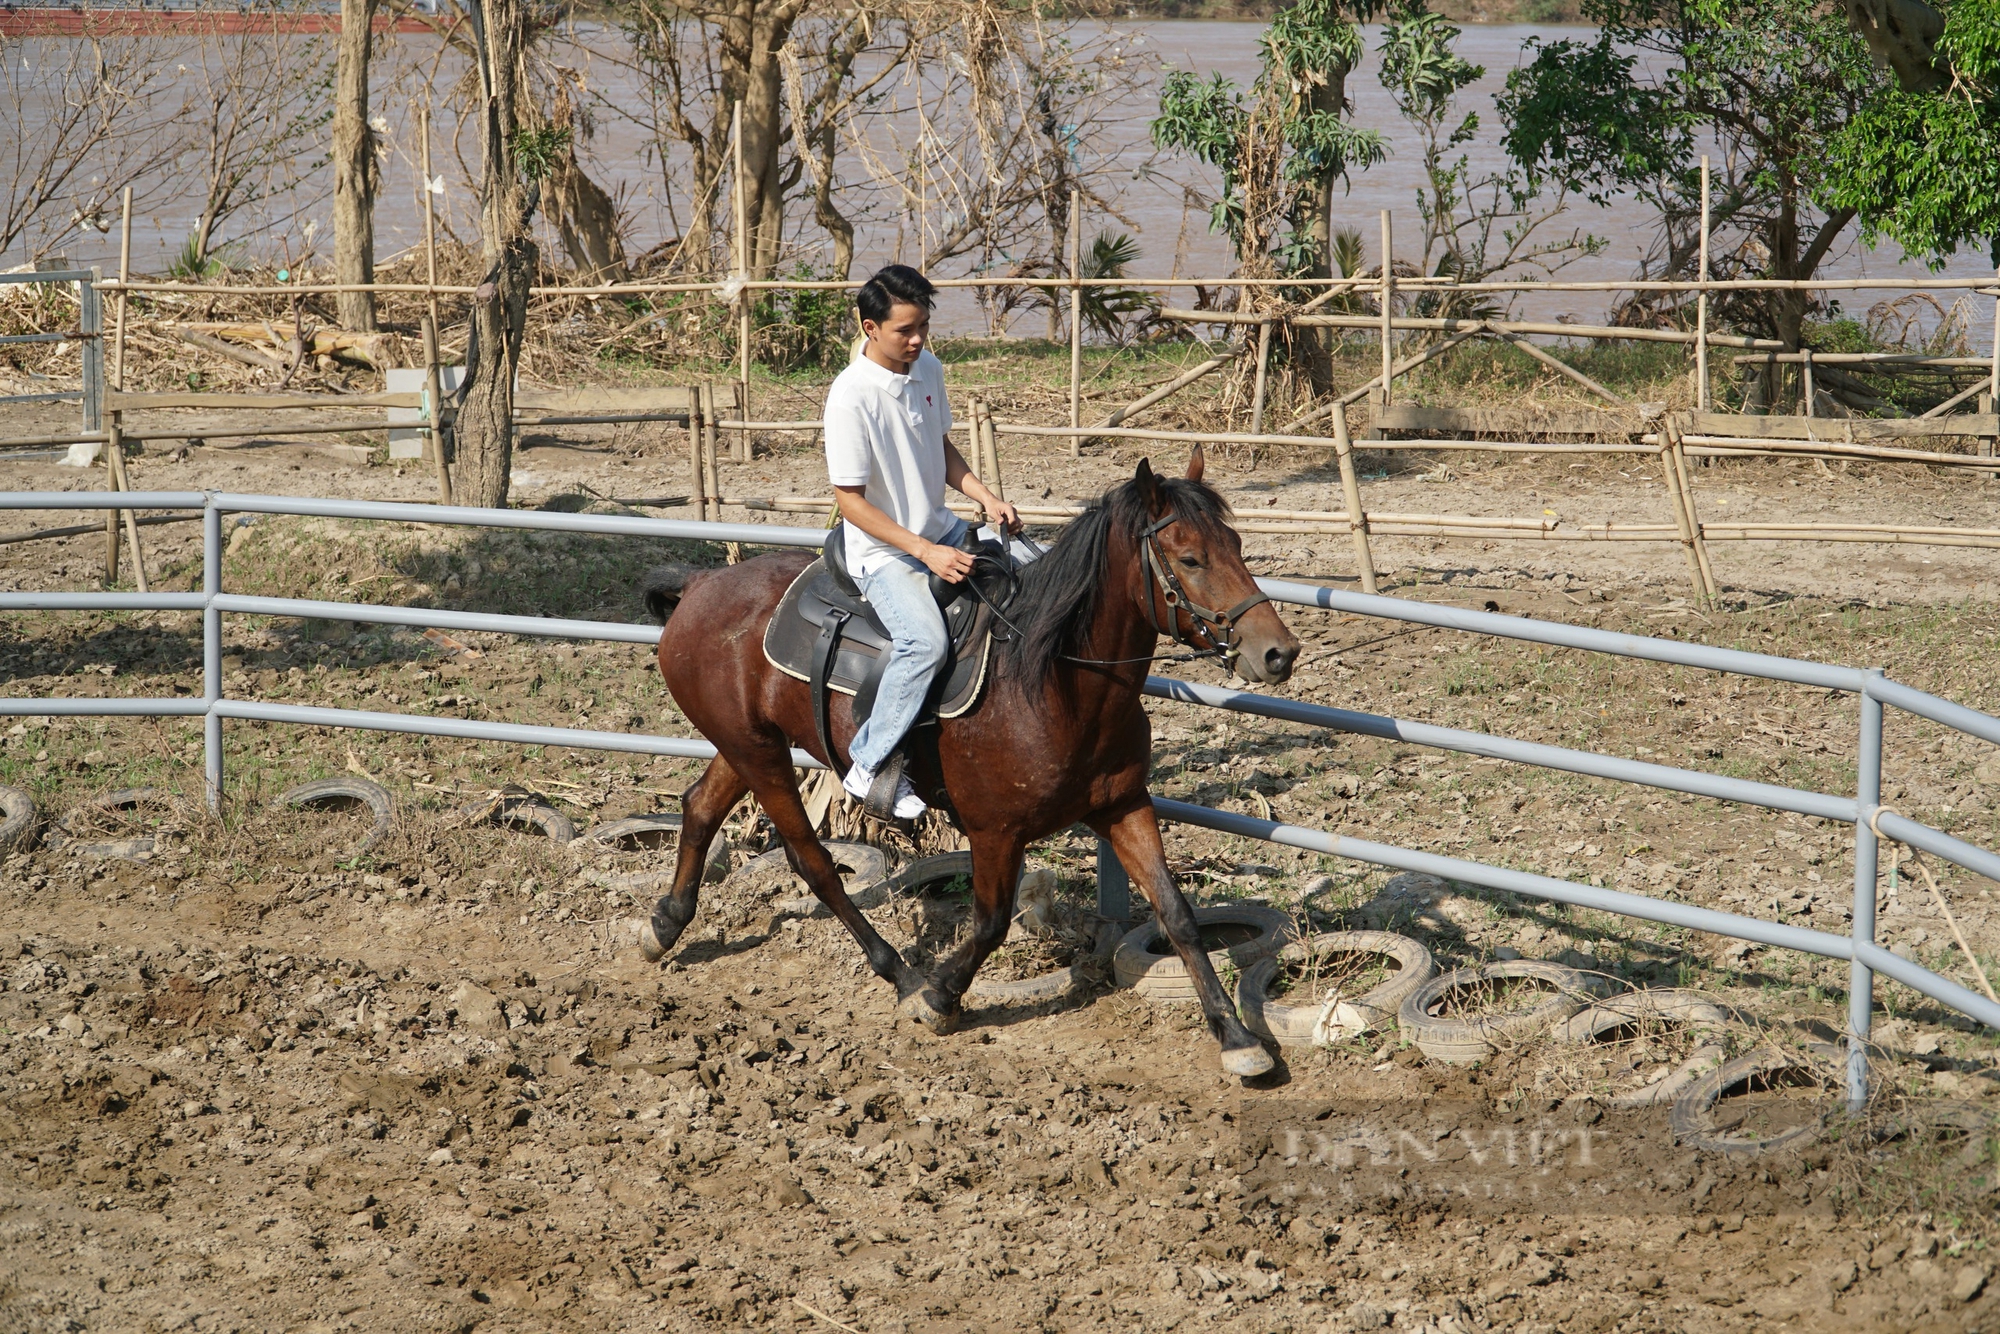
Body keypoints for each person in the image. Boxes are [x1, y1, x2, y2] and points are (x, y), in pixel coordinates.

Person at [824, 264, 1021, 819]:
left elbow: (941, 449)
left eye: (923, 328)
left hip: (943, 527)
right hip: (884, 553)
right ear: (869, 327)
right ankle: (867, 762)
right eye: (904, 331)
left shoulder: (927, 367)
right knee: (926, 644)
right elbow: (851, 504)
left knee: (1036, 573)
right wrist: (925, 551)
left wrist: (985, 497)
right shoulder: (849, 398)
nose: (916, 340)